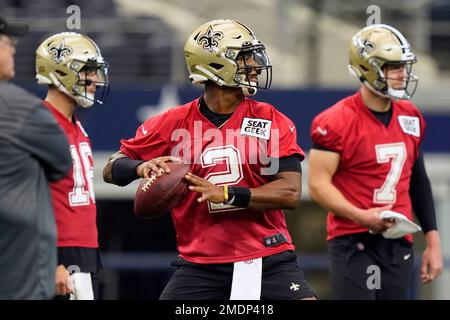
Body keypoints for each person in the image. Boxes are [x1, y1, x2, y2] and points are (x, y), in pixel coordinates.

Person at [103, 19, 315, 300]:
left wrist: (226, 193)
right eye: (243, 57)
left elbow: (289, 193)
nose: (253, 64)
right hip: (201, 264)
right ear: (216, 65)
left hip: (267, 256)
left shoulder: (269, 118)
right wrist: (140, 166)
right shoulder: (172, 123)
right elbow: (110, 169)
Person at [308, 24, 443, 300]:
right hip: (352, 239)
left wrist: (433, 238)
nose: (402, 75)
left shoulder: (411, 116)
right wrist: (360, 215)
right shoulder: (335, 121)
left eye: (403, 67)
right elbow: (318, 185)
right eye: (393, 67)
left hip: (397, 241)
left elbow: (417, 178)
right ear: (368, 69)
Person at [0, 17, 72, 299]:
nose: (14, 50)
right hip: (16, 267)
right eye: (8, 43)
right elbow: (61, 164)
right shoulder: (20, 107)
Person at [35, 32, 109, 300]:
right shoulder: (40, 124)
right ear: (60, 71)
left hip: (85, 249)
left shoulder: (75, 125)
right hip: (60, 252)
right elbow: (22, 199)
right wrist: (50, 259)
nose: (96, 80)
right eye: (87, 71)